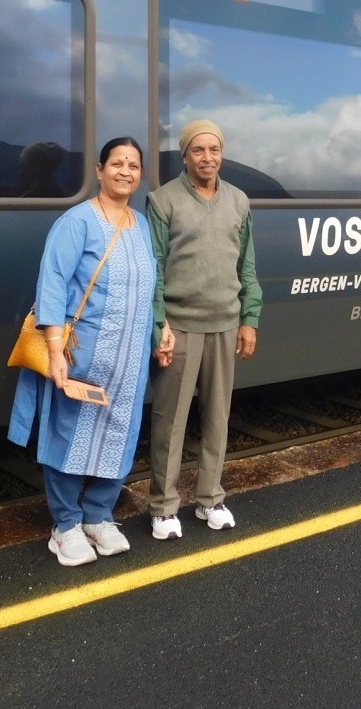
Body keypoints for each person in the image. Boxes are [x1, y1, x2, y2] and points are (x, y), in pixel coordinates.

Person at [8, 137, 173, 566]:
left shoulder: (142, 226)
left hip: (129, 362)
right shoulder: (76, 221)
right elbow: (52, 284)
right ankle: (65, 525)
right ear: (99, 171)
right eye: (116, 163)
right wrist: (55, 351)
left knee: (119, 435)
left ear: (140, 175)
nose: (125, 171)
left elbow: (152, 286)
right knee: (68, 434)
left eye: (133, 165)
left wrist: (162, 328)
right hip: (80, 355)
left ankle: (99, 515)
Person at [146, 119, 262, 539]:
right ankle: (163, 507)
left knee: (217, 418)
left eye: (214, 149)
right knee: (170, 421)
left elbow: (246, 266)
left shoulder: (239, 201)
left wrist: (249, 319)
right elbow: (154, 270)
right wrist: (159, 325)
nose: (207, 157)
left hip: (225, 325)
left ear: (222, 155)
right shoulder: (163, 201)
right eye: (198, 150)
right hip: (179, 328)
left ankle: (210, 499)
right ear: (185, 156)